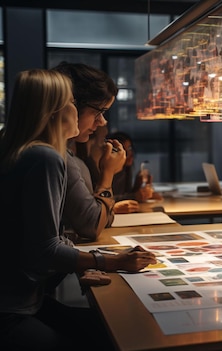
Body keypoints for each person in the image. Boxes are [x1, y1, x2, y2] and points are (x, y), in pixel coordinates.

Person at [0, 69, 157, 350]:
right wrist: (110, 262)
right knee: (118, 334)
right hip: (13, 310)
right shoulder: (45, 156)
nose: (77, 108)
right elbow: (45, 248)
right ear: (53, 110)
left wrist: (84, 261)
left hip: (21, 300)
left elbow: (39, 236)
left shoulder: (18, 148)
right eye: (72, 102)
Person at [52, 62, 125, 242]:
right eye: (98, 112)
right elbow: (92, 226)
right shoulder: (57, 156)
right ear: (71, 106)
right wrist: (107, 174)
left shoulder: (66, 154)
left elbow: (104, 220)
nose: (102, 122)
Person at [107, 130, 162, 208]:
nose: (130, 154)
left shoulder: (126, 169)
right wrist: (134, 196)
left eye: (129, 148)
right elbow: (107, 199)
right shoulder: (108, 171)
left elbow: (126, 194)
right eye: (123, 149)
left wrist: (138, 186)